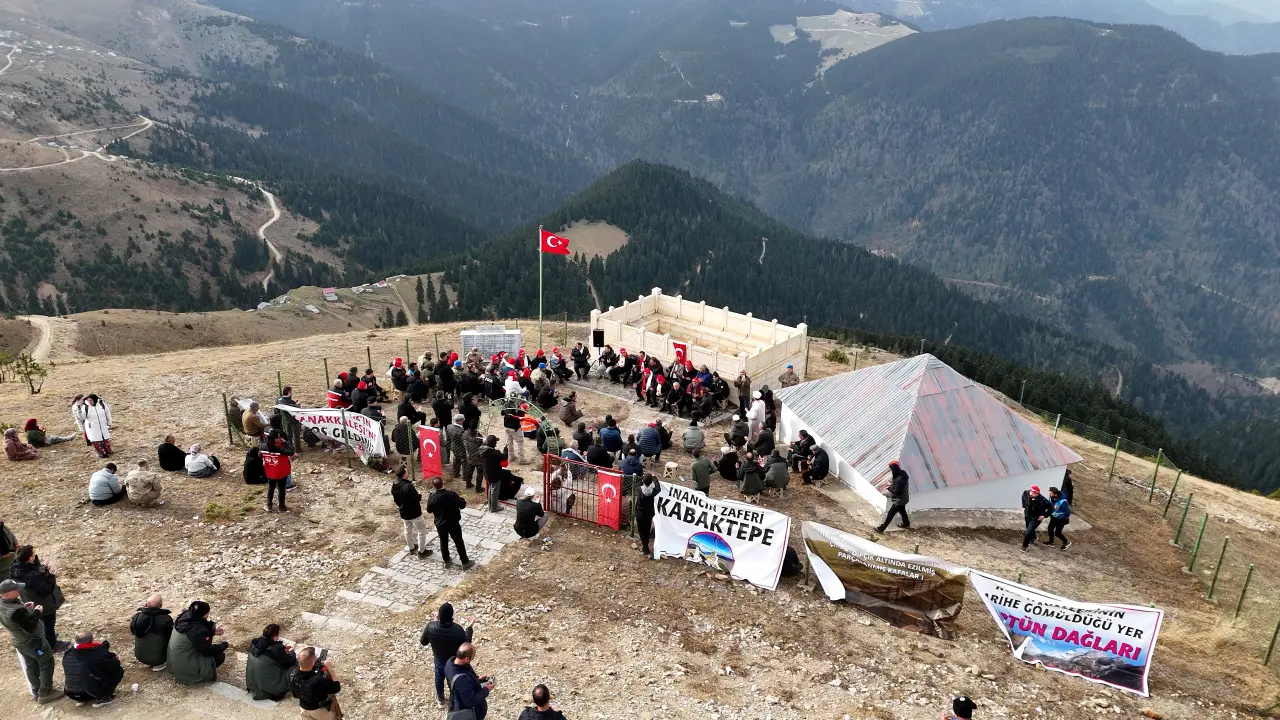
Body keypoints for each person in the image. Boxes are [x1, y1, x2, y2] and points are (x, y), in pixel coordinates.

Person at [0, 578, 65, 704]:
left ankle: (36, 690)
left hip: (20, 642)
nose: (19, 591)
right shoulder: (15, 612)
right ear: (7, 594)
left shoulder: (3, 603)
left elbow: (16, 619)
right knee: (46, 662)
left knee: (31, 665)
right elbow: (29, 627)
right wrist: (36, 612)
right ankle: (45, 693)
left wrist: (25, 610)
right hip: (33, 642)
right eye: (16, 590)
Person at [8, 546, 66, 652]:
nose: (34, 555)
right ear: (29, 558)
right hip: (44, 604)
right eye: (33, 554)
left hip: (30, 600)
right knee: (49, 623)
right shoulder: (32, 575)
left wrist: (42, 569)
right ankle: (52, 645)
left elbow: (34, 572)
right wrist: (50, 574)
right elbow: (46, 589)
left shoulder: (16, 567)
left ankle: (47, 637)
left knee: (41, 622)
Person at [420, 602, 474, 708]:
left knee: (439, 678)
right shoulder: (458, 630)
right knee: (452, 682)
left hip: (439, 660)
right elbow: (466, 645)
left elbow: (423, 642)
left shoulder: (430, 627)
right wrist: (469, 628)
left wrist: (434, 622)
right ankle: (453, 702)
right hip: (453, 663)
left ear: (439, 615)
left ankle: (440, 699)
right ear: (452, 616)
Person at [168, 600, 228, 685]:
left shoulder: (184, 617)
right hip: (183, 667)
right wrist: (223, 646)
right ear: (204, 614)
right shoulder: (199, 631)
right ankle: (195, 675)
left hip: (173, 662)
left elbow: (193, 637)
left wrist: (212, 632)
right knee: (219, 656)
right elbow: (206, 651)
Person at [63, 630, 124, 707]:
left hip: (70, 692)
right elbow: (114, 665)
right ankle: (102, 699)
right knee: (118, 671)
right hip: (89, 694)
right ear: (91, 640)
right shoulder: (95, 654)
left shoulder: (68, 653)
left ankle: (80, 700)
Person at [427, 477, 473, 568]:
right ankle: (465, 562)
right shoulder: (451, 495)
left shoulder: (432, 497)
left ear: (433, 486)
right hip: (453, 522)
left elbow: (429, 510)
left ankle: (446, 560)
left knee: (443, 542)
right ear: (442, 483)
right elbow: (462, 504)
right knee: (459, 542)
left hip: (440, 524)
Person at [288, 647, 343, 720]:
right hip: (319, 711)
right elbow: (336, 687)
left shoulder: (291, 672)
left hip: (303, 708)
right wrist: (330, 669)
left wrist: (314, 665)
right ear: (313, 661)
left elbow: (306, 673)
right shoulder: (319, 682)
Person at [246, 624, 297, 701]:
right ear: (275, 637)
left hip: (252, 683)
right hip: (269, 689)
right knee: (295, 666)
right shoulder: (276, 649)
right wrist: (292, 653)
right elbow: (289, 662)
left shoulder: (255, 642)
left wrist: (282, 650)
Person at [444, 643, 492, 720]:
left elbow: (464, 682)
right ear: (466, 659)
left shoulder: (450, 661)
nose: (473, 658)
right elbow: (471, 701)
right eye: (473, 656)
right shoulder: (461, 680)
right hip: (468, 712)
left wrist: (477, 679)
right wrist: (486, 689)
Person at [392, 467, 432, 557]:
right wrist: (419, 496)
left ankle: (411, 547)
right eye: (407, 472)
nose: (408, 473)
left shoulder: (394, 485)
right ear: (404, 474)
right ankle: (422, 551)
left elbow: (396, 500)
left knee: (407, 530)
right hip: (414, 513)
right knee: (421, 531)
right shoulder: (408, 486)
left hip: (403, 512)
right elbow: (416, 498)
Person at [129, 593, 173, 670]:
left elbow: (133, 631)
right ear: (161, 605)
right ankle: (160, 664)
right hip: (158, 659)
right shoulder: (166, 619)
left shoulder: (137, 617)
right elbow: (171, 639)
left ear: (146, 604)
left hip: (139, 656)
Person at [262, 429, 294, 512]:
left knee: (271, 487)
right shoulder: (279, 449)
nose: (280, 439)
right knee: (281, 488)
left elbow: (259, 455)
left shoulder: (264, 447)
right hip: (281, 471)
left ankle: (269, 505)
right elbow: (291, 451)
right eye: (279, 437)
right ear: (276, 439)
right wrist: (285, 442)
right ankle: (281, 506)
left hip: (270, 471)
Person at [875, 461, 912, 533]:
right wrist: (891, 485)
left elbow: (897, 491)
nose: (891, 470)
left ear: (894, 469)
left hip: (899, 500)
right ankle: (906, 524)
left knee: (890, 514)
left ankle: (882, 528)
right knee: (902, 511)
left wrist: (889, 488)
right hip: (903, 498)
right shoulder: (901, 474)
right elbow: (897, 486)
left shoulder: (900, 479)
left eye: (891, 469)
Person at [1020, 485, 1053, 552]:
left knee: (1028, 532)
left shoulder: (1042, 500)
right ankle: (1034, 538)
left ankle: (1024, 546)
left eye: (1034, 493)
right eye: (1031, 492)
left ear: (1038, 494)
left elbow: (1051, 508)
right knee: (1029, 528)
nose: (1032, 494)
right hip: (1027, 515)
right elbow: (1023, 498)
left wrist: (1044, 515)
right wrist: (1023, 506)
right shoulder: (1026, 493)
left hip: (1036, 518)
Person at [635, 474, 661, 557]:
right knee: (646, 530)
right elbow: (658, 488)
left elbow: (637, 484)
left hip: (639, 514)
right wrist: (654, 478)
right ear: (651, 483)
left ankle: (645, 548)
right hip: (648, 514)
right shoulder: (653, 491)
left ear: (643, 481)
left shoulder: (639, 490)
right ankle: (645, 547)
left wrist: (642, 478)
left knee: (641, 531)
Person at [462, 426, 484, 491]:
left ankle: (468, 484)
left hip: (469, 455)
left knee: (470, 470)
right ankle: (478, 488)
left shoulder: (465, 434)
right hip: (478, 458)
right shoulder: (478, 436)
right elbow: (482, 446)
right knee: (480, 473)